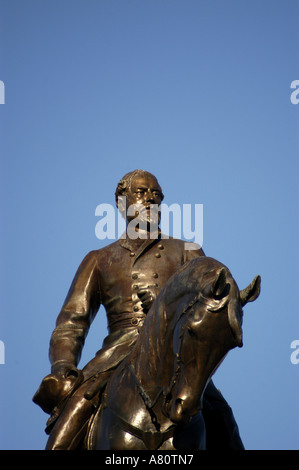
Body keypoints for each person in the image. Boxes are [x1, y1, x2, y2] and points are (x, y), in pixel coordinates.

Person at [33, 169, 244, 450]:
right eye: (141, 193)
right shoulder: (99, 259)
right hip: (116, 355)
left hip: (174, 354)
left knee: (224, 420)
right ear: (122, 202)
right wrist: (63, 367)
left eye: (156, 194)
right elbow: (71, 324)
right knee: (65, 428)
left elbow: (209, 296)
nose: (150, 199)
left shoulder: (186, 250)